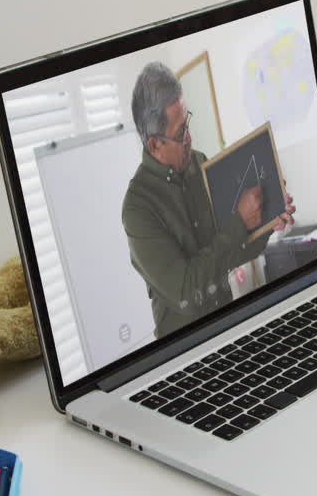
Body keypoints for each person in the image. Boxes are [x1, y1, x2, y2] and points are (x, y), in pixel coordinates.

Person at [123, 61, 295, 339]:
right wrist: (240, 222)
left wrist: (267, 221)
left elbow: (233, 252)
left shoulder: (199, 164)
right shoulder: (136, 208)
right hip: (184, 350)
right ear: (154, 144)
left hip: (228, 326)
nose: (190, 138)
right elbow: (187, 292)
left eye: (187, 123)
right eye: (180, 133)